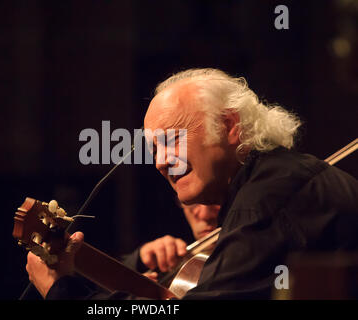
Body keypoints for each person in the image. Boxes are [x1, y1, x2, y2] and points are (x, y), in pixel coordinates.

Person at [26, 68, 358, 299]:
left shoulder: (267, 199)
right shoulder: (272, 182)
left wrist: (63, 291)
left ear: (228, 125)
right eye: (154, 149)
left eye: (171, 139)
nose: (158, 162)